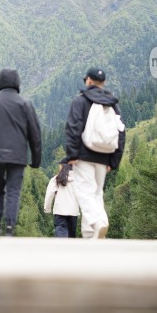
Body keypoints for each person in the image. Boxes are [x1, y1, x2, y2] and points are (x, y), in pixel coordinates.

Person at [0, 68, 42, 236]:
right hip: (17, 156)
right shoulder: (25, 104)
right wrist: (36, 160)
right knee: (13, 191)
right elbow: (35, 134)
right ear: (17, 83)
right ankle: (10, 228)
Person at [65, 67, 125, 239]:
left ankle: (99, 221)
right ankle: (91, 236)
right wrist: (114, 161)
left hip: (83, 155)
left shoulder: (81, 101)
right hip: (104, 155)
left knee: (84, 192)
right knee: (96, 193)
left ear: (89, 81)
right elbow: (121, 132)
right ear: (103, 83)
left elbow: (73, 128)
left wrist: (72, 154)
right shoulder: (112, 104)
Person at [43, 158, 79, 237]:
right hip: (73, 212)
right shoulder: (78, 179)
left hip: (60, 211)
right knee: (71, 236)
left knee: (61, 234)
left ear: (62, 166)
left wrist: (47, 209)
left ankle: (62, 248)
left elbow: (49, 194)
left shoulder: (56, 179)